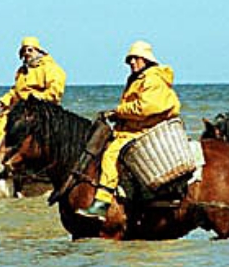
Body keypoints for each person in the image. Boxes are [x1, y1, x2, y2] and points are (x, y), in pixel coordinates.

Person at [77, 40, 181, 221]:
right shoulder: (138, 79)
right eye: (130, 59)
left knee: (110, 155)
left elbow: (146, 108)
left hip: (144, 130)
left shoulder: (152, 79)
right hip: (134, 128)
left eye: (136, 58)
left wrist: (118, 112)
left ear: (146, 60)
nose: (132, 62)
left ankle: (101, 205)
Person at [0, 36, 67, 161]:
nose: (26, 54)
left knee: (9, 119)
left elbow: (55, 93)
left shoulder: (52, 69)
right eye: (24, 51)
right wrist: (1, 102)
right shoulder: (21, 71)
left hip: (42, 109)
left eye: (30, 50)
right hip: (22, 108)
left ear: (38, 51)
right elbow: (15, 92)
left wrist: (32, 98)